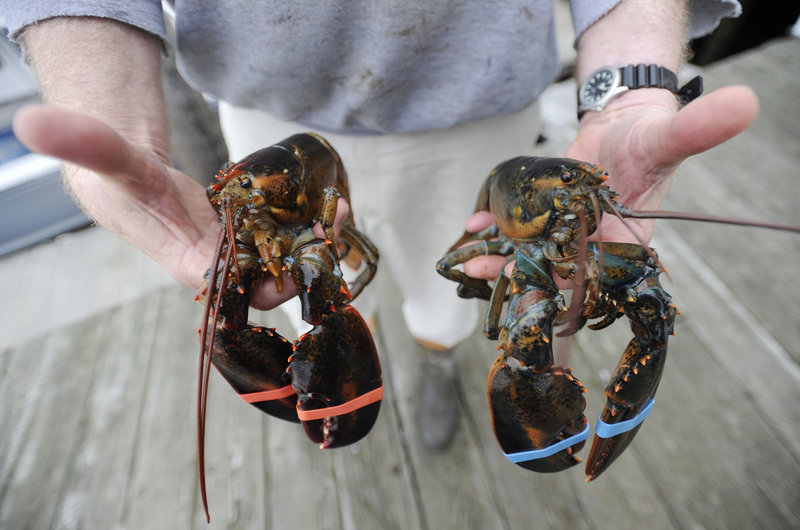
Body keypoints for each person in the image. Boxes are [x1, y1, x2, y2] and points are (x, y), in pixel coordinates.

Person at [1, 1, 758, 449]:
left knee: (456, 292)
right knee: (305, 296)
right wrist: (109, 113)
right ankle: (334, 388)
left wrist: (627, 91)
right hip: (269, 110)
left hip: (480, 106)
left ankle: (434, 365)